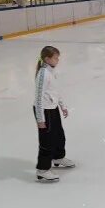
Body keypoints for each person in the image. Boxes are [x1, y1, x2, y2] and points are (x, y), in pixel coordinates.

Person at [33, 46, 73, 183]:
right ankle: (43, 170)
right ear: (47, 59)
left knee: (58, 135)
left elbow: (55, 91)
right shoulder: (43, 74)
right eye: (56, 58)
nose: (58, 60)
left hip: (52, 108)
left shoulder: (51, 71)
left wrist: (62, 106)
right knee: (47, 140)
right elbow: (39, 97)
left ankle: (58, 157)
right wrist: (40, 118)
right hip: (44, 110)